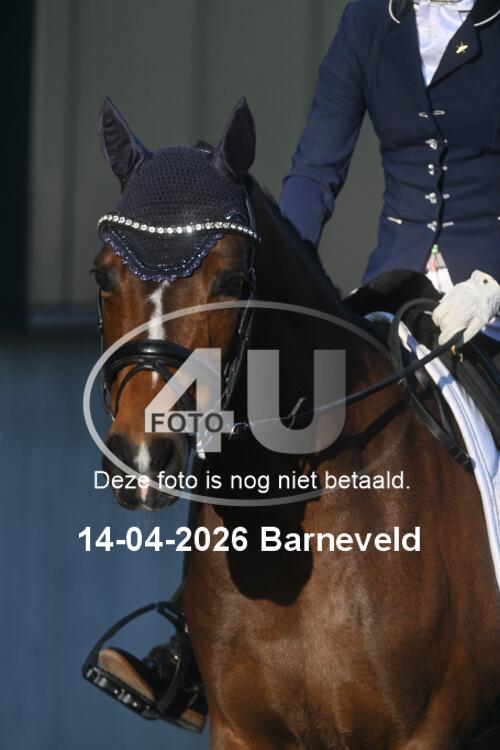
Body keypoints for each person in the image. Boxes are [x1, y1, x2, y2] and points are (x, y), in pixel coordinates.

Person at [93, 0, 500, 728]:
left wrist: (494, 284)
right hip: (395, 286)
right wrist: (290, 276)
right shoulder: (372, 21)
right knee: (251, 411)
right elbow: (317, 162)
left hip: (488, 299)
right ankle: (191, 641)